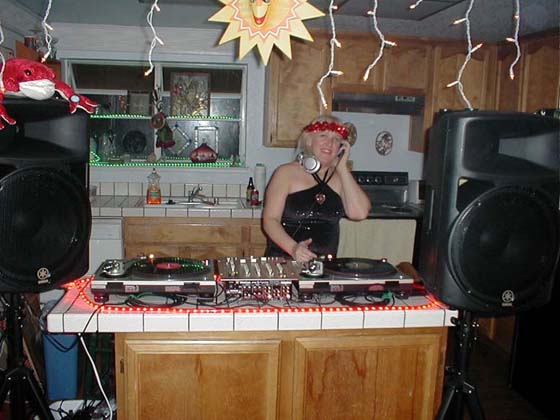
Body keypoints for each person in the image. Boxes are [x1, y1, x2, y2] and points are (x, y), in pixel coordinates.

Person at [262, 115, 371, 263]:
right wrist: (293, 249)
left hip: (324, 266)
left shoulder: (341, 178)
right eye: (323, 136)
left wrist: (342, 168)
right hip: (283, 262)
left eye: (336, 139)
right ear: (309, 140)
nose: (330, 143)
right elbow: (270, 220)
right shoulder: (286, 173)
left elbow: (359, 213)